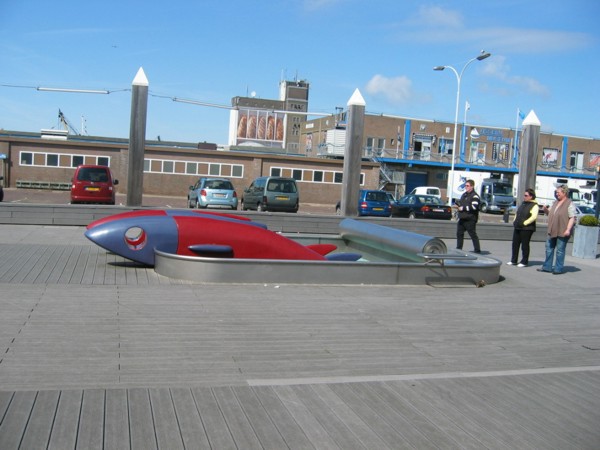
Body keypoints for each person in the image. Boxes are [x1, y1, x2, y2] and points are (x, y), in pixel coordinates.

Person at [537, 184, 576, 275]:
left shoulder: (569, 203)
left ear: (564, 193)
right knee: (549, 248)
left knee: (560, 250)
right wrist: (545, 209)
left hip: (562, 230)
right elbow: (550, 213)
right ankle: (547, 267)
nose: (556, 194)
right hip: (552, 230)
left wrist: (568, 230)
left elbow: (572, 218)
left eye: (558, 192)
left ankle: (558, 268)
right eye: (556, 192)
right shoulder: (555, 202)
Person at [507, 188, 538, 267]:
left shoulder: (534, 205)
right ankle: (513, 260)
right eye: (524, 195)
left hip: (527, 228)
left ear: (531, 196)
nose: (524, 197)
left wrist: (525, 223)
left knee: (525, 245)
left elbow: (534, 217)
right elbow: (518, 213)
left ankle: (524, 261)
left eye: (526, 195)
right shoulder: (523, 203)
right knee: (515, 244)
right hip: (518, 226)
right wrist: (514, 220)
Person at [455, 179, 481, 253]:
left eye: (467, 186)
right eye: (465, 186)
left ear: (472, 186)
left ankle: (477, 250)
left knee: (472, 234)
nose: (466, 187)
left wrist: (463, 208)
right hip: (462, 218)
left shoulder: (475, 196)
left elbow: (474, 207)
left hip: (470, 218)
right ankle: (459, 249)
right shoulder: (464, 195)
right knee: (459, 233)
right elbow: (462, 204)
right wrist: (458, 206)